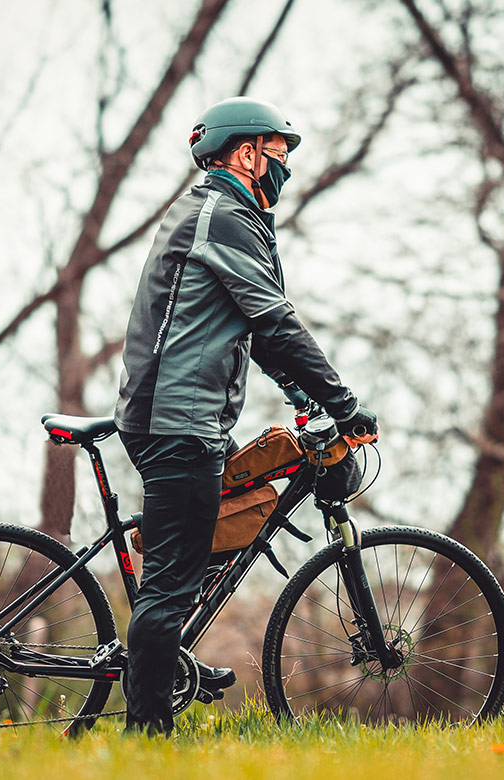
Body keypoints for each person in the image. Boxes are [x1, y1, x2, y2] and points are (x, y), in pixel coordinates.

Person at [112, 97, 378, 735]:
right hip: (177, 421)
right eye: (278, 155)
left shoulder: (222, 213)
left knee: (188, 563)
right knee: (171, 583)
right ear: (244, 153)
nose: (283, 169)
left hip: (181, 416)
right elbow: (275, 321)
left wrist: (306, 397)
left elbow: (255, 332)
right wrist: (343, 404)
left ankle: (164, 679)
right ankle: (145, 737)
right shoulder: (222, 215)